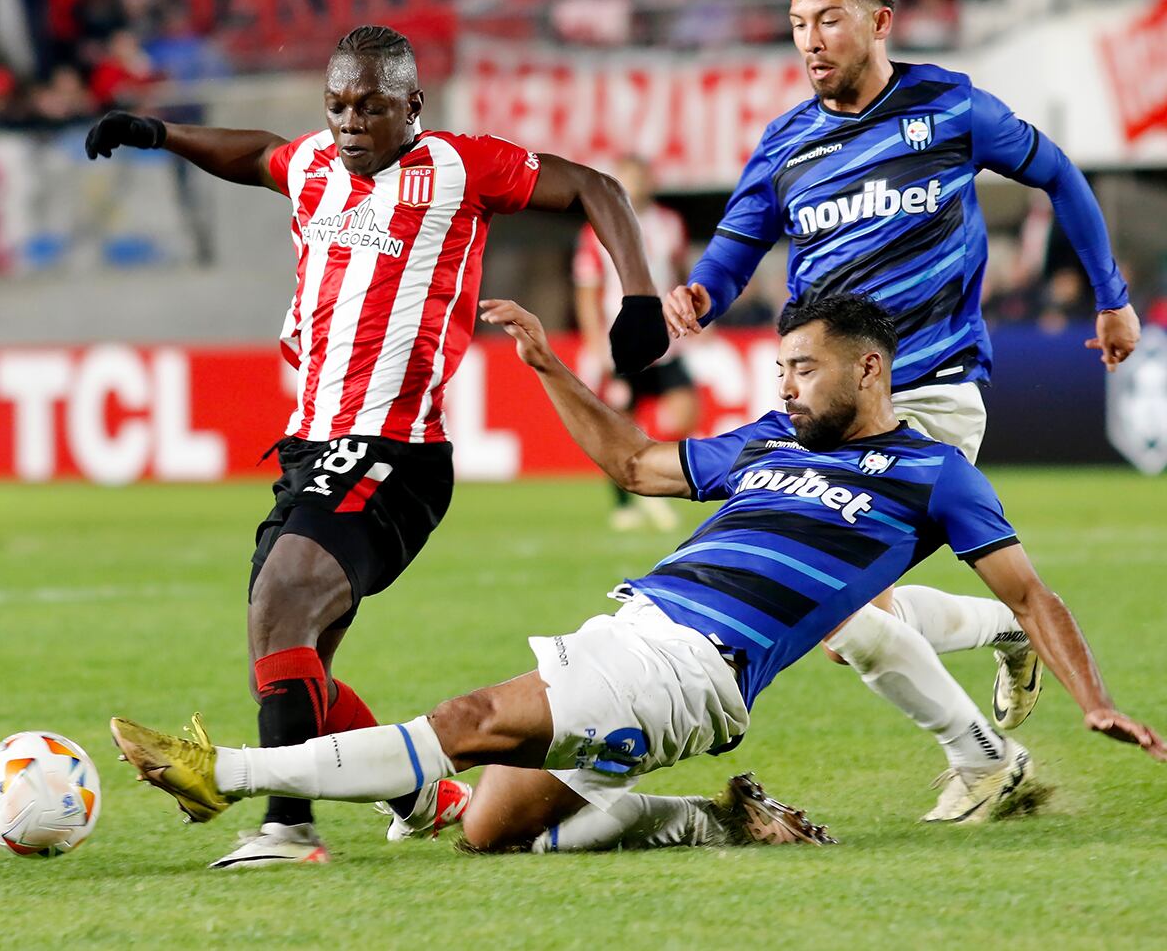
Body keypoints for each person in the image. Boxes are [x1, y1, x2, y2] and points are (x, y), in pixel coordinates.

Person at [109, 293, 1164, 857]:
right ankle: (723, 821)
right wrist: (553, 373)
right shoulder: (767, 441)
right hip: (631, 632)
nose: (786, 384)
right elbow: (632, 463)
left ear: (869, 368)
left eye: (805, 367)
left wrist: (1096, 701)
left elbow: (1028, 590)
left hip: (691, 664)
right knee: (489, 827)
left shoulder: (933, 475)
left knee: (468, 717)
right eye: (782, 367)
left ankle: (226, 776)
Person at [84, 25, 679, 868]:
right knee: (292, 649)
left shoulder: (459, 168)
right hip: (311, 447)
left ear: (413, 105)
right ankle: (420, 794)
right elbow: (256, 153)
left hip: (394, 448)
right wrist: (159, 132)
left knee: (281, 601)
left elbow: (595, 186)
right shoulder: (316, 167)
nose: (350, 122)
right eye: (336, 106)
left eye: (370, 106)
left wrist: (640, 296)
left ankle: (288, 828)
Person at [664, 0, 1142, 822]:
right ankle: (1003, 634)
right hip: (821, 410)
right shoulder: (785, 145)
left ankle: (986, 760)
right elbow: (734, 251)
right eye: (800, 24)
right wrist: (700, 291)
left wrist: (1111, 300)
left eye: (830, 19)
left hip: (928, 395)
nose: (811, 40)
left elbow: (1059, 174)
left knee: (839, 618)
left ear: (880, 21)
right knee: (855, 619)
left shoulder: (947, 106)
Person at [574, 155, 697, 532]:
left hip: (665, 340)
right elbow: (586, 289)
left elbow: (678, 273)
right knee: (620, 422)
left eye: (639, 177)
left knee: (685, 411)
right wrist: (596, 341)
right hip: (621, 339)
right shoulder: (597, 226)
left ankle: (654, 479)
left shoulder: (670, 225)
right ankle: (625, 503)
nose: (634, 184)